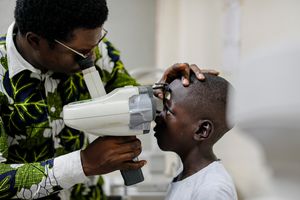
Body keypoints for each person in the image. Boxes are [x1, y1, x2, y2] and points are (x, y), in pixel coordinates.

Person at [0, 0, 217, 199]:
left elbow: (127, 99)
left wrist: (160, 91)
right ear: (35, 41)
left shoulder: (96, 51)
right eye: (81, 53)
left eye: (96, 44)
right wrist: (84, 163)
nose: (93, 57)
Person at [154, 73, 237, 200]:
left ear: (202, 130)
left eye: (168, 111)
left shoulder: (212, 189)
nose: (158, 116)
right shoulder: (184, 177)